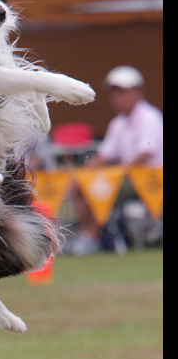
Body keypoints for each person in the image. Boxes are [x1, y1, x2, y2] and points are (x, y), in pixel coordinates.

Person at [69, 66, 163, 254]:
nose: (118, 98)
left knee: (102, 187)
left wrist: (115, 173)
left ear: (138, 92)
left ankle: (93, 237)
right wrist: (80, 174)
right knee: (82, 183)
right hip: (129, 177)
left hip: (151, 179)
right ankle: (86, 234)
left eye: (123, 92)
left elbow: (145, 155)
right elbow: (103, 156)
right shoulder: (118, 123)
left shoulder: (150, 117)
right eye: (115, 93)